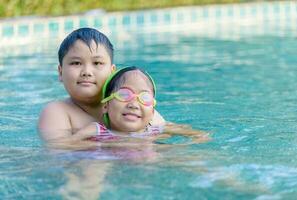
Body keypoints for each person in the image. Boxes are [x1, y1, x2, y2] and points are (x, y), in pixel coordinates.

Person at [38, 27, 165, 145]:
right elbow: (57, 150)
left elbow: (165, 129)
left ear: (112, 72)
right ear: (60, 72)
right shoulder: (57, 111)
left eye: (97, 63)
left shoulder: (134, 106)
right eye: (76, 63)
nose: (87, 72)